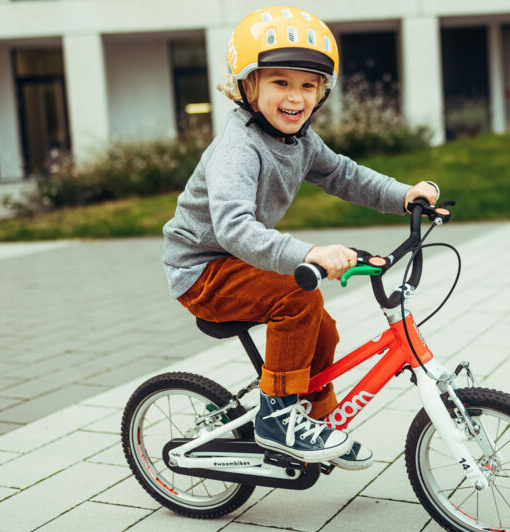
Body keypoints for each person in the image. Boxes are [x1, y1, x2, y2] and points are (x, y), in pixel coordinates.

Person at [161, 6, 438, 470]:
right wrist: (308, 253)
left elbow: (344, 175)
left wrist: (404, 195)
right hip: (202, 271)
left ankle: (311, 414)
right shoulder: (237, 148)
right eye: (280, 82)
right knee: (297, 297)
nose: (296, 97)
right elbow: (232, 227)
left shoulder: (301, 140)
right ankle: (278, 420)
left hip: (238, 261)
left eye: (308, 85)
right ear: (247, 86)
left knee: (321, 325)